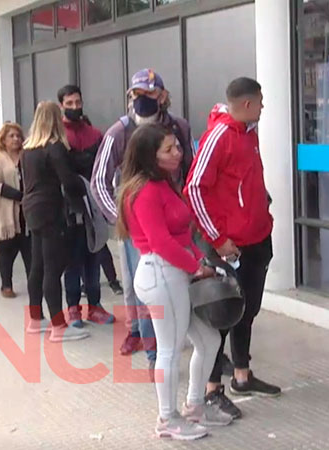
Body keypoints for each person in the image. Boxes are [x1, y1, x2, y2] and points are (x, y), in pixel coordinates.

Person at [118, 124, 233, 440]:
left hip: (174, 272)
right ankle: (167, 418)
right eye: (168, 149)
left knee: (208, 340)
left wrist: (199, 262)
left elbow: (181, 235)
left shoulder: (163, 183)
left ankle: (195, 406)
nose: (177, 153)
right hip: (162, 274)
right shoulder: (144, 191)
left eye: (177, 147)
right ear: (149, 155)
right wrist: (196, 266)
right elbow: (160, 242)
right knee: (169, 349)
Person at [183, 77, 278, 420]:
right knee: (223, 315)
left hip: (257, 238)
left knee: (247, 310)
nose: (264, 107)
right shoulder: (220, 135)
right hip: (229, 245)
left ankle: (242, 375)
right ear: (248, 104)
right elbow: (194, 188)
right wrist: (218, 238)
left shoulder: (249, 132)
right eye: (261, 101)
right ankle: (211, 390)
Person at [91, 68, 195, 364]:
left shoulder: (179, 127)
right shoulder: (119, 132)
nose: (142, 98)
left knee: (183, 278)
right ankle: (150, 347)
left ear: (162, 96)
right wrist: (122, 219)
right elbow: (99, 180)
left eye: (149, 93)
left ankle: (179, 334)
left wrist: (187, 210)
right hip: (140, 221)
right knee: (143, 285)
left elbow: (190, 169)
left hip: (174, 219)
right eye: (136, 93)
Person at [21, 101, 89, 342]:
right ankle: (58, 325)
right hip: (50, 209)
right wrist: (83, 187)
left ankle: (35, 319)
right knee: (52, 267)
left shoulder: (27, 149)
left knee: (37, 265)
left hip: (31, 208)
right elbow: (68, 181)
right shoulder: (54, 147)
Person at [58, 84, 117, 326]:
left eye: (77, 102)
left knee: (95, 254)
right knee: (72, 259)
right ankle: (73, 308)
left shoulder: (96, 134)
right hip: (69, 206)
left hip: (94, 205)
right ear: (61, 105)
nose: (75, 107)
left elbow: (105, 168)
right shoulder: (57, 136)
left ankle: (95, 306)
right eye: (69, 103)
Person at [0, 123, 31, 298]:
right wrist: (19, 196)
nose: (16, 139)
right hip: (3, 212)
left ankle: (34, 284)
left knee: (30, 250)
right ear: (3, 139)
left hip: (26, 212)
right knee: (7, 251)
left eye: (18, 136)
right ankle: (6, 286)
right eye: (11, 136)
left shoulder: (26, 156)